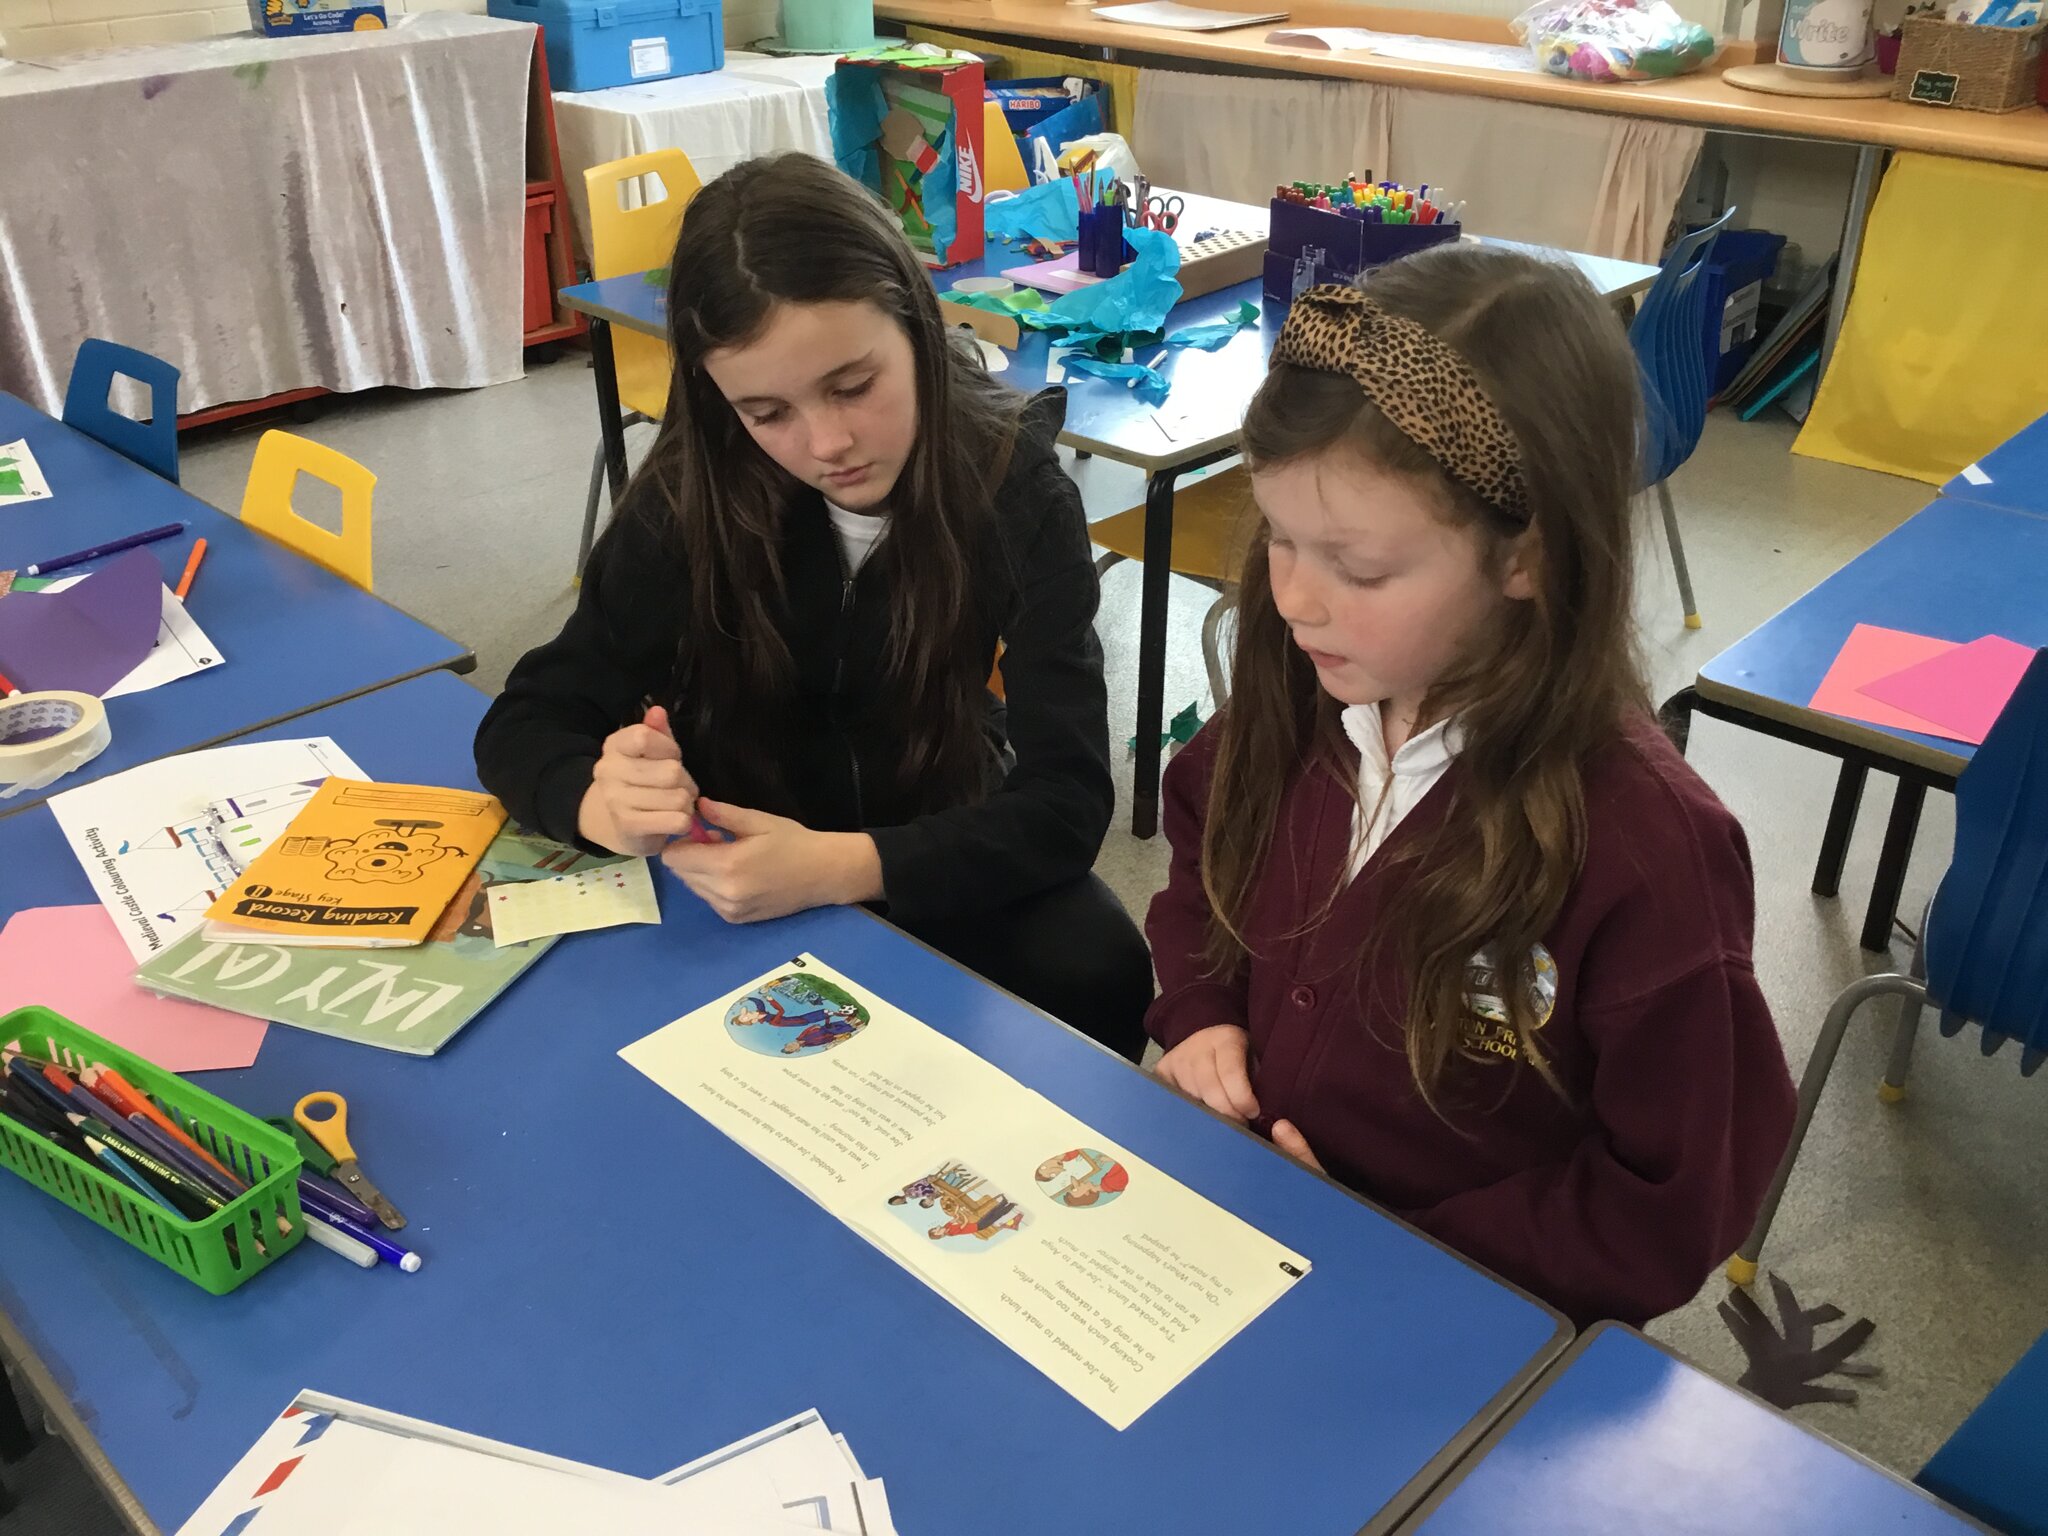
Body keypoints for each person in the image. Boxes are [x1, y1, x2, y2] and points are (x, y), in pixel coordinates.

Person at [1143, 246, 1797, 1326]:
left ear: (1525, 558)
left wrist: (1395, 1256)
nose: (1296, 600)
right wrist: (1199, 1011)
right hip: (1237, 1241)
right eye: (1278, 541)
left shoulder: (1645, 848)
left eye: (1356, 569)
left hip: (1457, 1320)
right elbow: (1201, 855)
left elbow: (1669, 1200)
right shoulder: (1304, 686)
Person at [475, 153, 1151, 1059]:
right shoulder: (694, 496)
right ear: (722, 406)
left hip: (921, 837)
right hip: (730, 866)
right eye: (766, 412)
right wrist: (596, 800)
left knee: (1101, 965)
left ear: (915, 325)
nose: (827, 444)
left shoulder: (1013, 487)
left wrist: (842, 866)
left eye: (852, 386)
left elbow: (1067, 801)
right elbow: (527, 718)